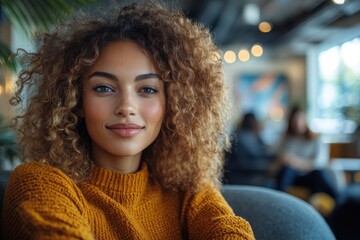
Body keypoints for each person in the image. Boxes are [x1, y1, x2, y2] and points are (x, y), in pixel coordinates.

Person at [1, 2, 255, 239]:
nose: (126, 107)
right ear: (76, 101)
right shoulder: (40, 181)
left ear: (174, 104)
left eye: (147, 89)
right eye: (103, 88)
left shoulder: (189, 192)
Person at [275, 106, 338, 210]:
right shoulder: (287, 139)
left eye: (299, 119)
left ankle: (336, 200)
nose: (297, 123)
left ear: (305, 120)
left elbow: (319, 163)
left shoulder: (316, 138)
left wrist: (295, 162)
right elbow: (278, 156)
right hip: (293, 176)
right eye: (294, 120)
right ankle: (278, 202)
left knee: (319, 174)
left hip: (310, 175)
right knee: (286, 171)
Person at [224, 112, 275, 186]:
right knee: (271, 182)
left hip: (246, 174)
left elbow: (262, 151)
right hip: (239, 177)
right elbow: (244, 163)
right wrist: (267, 167)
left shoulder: (251, 136)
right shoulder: (241, 137)